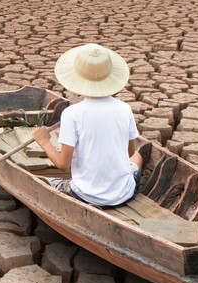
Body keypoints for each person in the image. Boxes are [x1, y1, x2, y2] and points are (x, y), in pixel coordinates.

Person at [32, 43, 147, 208]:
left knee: (47, 181)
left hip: (86, 196)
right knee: (138, 157)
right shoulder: (124, 108)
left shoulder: (72, 114)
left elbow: (63, 165)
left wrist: (43, 141)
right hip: (124, 194)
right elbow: (129, 153)